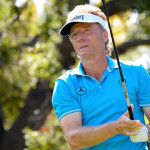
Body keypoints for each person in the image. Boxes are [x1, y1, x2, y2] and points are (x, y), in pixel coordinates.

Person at [52, 4, 150, 150]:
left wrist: (143, 132)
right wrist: (117, 127)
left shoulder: (136, 72)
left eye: (86, 30)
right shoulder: (65, 84)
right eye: (74, 34)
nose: (80, 38)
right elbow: (74, 138)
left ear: (105, 35)